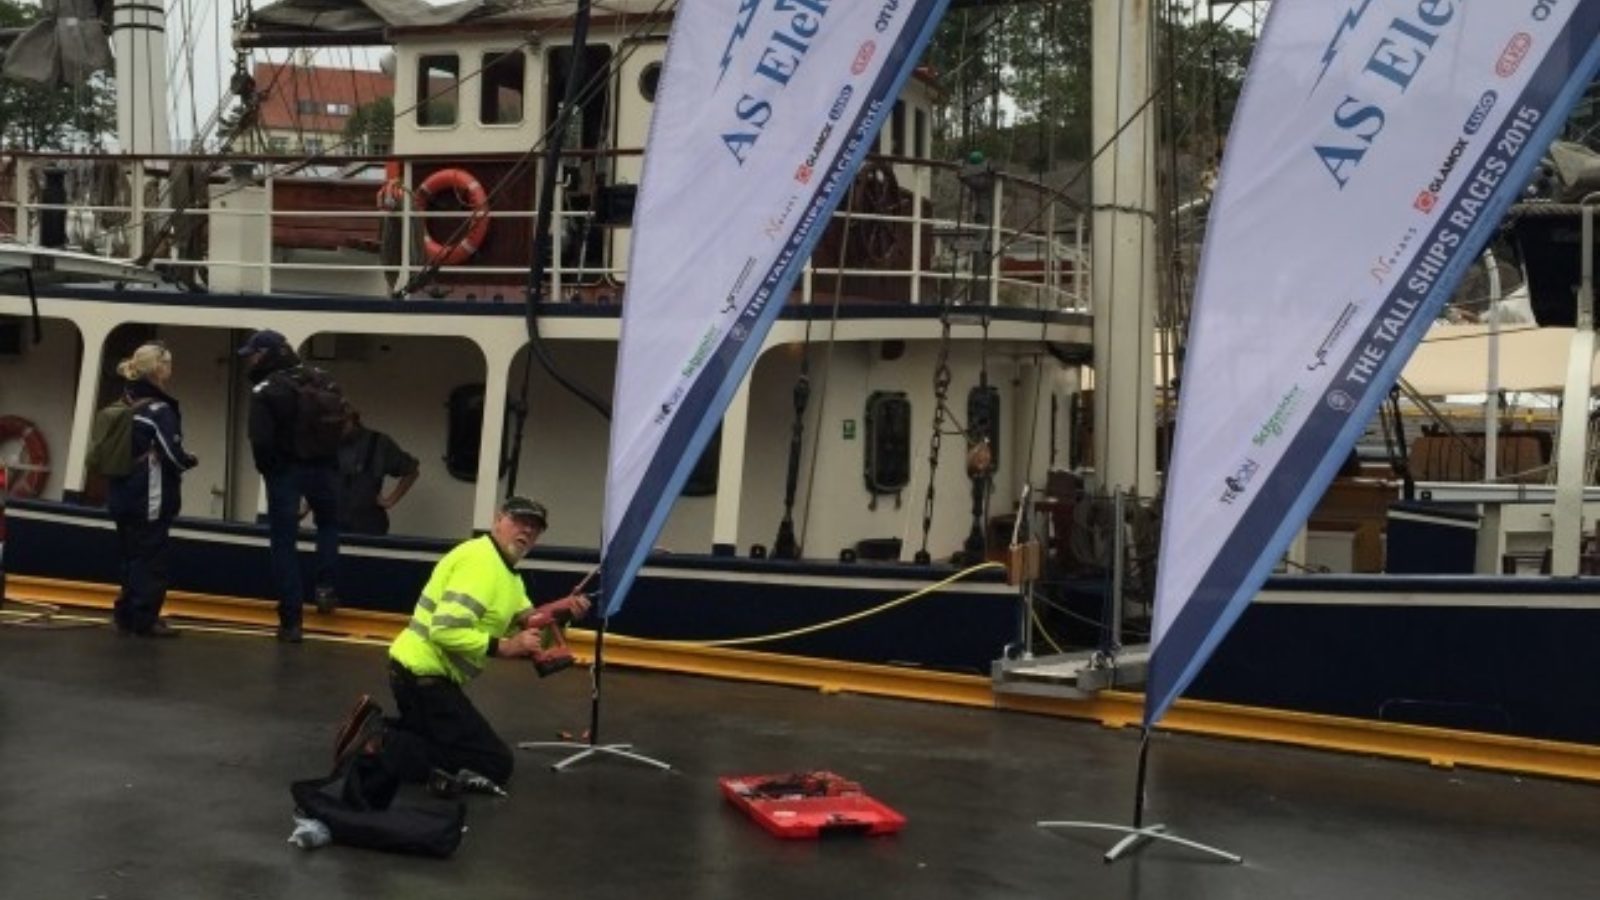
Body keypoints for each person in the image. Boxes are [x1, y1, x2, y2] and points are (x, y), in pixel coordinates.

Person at [338, 497, 588, 799]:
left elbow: (530, 624)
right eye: (518, 521)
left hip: (413, 674)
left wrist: (563, 615)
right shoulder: (481, 563)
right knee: (494, 763)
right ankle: (381, 742)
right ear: (498, 520)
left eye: (534, 527)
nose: (526, 531)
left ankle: (377, 728)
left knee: (440, 741)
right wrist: (504, 647)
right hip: (425, 680)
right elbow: (445, 629)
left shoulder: (508, 575)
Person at [239, 329, 340, 643]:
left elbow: (261, 440)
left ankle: (291, 621)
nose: (251, 360)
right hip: (324, 467)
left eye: (254, 354)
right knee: (328, 524)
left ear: (267, 355)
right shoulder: (323, 378)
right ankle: (325, 587)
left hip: (285, 472)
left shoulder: (266, 390)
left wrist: (271, 471)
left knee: (283, 543)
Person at [107, 342, 198, 638]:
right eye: (168, 364)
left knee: (129, 555)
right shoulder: (159, 410)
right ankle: (145, 618)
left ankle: (125, 613)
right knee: (151, 557)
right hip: (149, 497)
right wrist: (188, 461)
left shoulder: (124, 401)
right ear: (159, 369)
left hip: (121, 491)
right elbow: (172, 455)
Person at [335, 405, 419, 537]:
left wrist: (390, 501)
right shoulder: (327, 443)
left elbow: (411, 471)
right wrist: (306, 507)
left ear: (353, 419)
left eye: (341, 424)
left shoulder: (379, 442)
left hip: (368, 527)